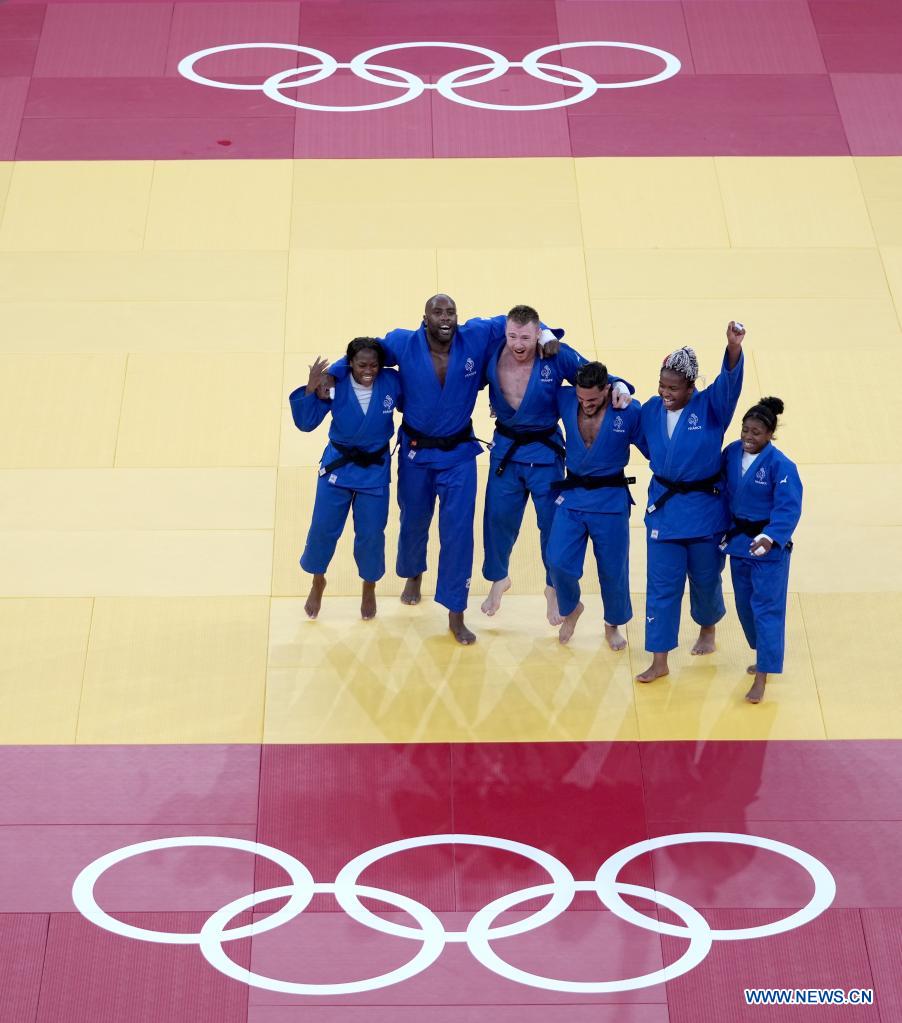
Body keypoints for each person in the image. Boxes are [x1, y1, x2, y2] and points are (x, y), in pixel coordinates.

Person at [327, 295, 562, 644]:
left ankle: (456, 613)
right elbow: (364, 355)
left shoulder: (476, 336)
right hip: (416, 453)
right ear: (424, 318)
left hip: (458, 456)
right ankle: (413, 573)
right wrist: (332, 376)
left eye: (450, 311)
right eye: (437, 312)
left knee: (458, 534)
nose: (445, 318)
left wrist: (544, 334)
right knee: (413, 521)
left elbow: (515, 323)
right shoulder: (402, 342)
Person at [480, 305, 634, 623]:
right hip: (506, 448)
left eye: (525, 336)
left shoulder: (554, 355)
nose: (518, 344)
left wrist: (619, 384)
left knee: (550, 524)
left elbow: (591, 373)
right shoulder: (491, 351)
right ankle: (498, 578)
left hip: (545, 451)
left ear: (539, 333)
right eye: (512, 336)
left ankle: (552, 590)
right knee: (497, 518)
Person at [635, 322, 746, 683]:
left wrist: (732, 348)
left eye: (674, 387)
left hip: (704, 512)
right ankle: (659, 657)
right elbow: (637, 435)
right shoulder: (650, 410)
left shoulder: (711, 407)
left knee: (705, 579)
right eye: (662, 385)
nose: (666, 393)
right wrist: (619, 390)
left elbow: (729, 384)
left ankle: (708, 629)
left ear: (691, 387)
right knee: (662, 587)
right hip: (665, 512)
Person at [289, 338, 401, 622]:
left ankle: (369, 585)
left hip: (374, 469)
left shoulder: (391, 381)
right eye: (361, 364)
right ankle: (318, 581)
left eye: (374, 365)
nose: (368, 370)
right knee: (322, 529)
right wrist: (312, 389)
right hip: (338, 466)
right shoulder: (334, 384)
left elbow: (417, 404)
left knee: (371, 535)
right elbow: (305, 424)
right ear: (350, 363)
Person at [546, 362, 642, 647]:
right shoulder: (565, 398)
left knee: (613, 570)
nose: (586, 404)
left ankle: (612, 625)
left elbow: (655, 447)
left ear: (608, 390)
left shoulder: (628, 410)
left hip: (610, 499)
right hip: (573, 494)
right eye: (581, 398)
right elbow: (561, 359)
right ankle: (571, 607)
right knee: (557, 560)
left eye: (593, 399)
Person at [720, 397, 802, 703]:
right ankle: (762, 653)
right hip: (739, 543)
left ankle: (764, 675)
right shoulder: (731, 454)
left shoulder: (781, 466)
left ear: (769, 435)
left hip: (768, 549)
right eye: (745, 430)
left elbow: (789, 507)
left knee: (767, 610)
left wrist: (771, 536)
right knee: (744, 606)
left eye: (756, 432)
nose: (748, 437)